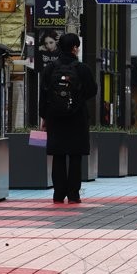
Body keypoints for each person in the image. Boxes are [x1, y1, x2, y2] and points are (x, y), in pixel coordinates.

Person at [39, 33, 97, 203]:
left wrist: (44, 117)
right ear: (74, 48)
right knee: (75, 156)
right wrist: (77, 100)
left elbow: (44, 94)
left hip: (55, 118)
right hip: (77, 117)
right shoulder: (82, 68)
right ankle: (73, 194)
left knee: (58, 155)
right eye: (77, 46)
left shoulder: (50, 68)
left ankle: (58, 194)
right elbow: (92, 90)